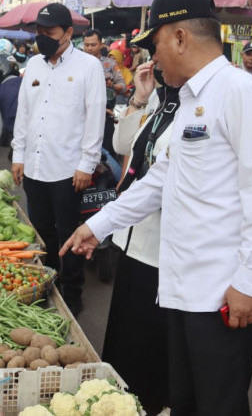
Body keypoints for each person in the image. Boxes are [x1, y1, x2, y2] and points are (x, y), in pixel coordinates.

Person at [60, 0, 252, 415]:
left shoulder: (241, 92)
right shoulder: (189, 99)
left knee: (218, 403)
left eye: (156, 44)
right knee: (183, 399)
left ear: (181, 37)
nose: (153, 57)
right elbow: (160, 179)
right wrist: (97, 226)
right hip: (182, 288)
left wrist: (251, 281)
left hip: (223, 293)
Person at [11, 3, 106, 317]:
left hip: (68, 169)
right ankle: (48, 286)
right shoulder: (34, 65)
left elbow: (95, 117)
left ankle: (72, 290)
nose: (42, 38)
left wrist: (87, 164)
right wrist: (18, 155)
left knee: (70, 234)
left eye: (49, 32)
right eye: (39, 32)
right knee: (41, 231)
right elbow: (24, 113)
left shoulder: (88, 67)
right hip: (35, 168)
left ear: (68, 33)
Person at [103, 64, 180, 415]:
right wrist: (140, 97)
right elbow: (122, 144)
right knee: (126, 328)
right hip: (131, 237)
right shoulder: (159, 104)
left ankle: (153, 402)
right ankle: (120, 397)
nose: (157, 65)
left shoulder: (196, 108)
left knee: (151, 334)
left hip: (163, 244)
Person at [82, 28, 126, 159]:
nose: (89, 48)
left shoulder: (110, 64)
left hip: (105, 115)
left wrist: (111, 85)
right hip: (82, 115)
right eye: (86, 45)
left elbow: (123, 87)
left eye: (93, 45)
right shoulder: (77, 64)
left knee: (107, 153)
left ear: (101, 45)